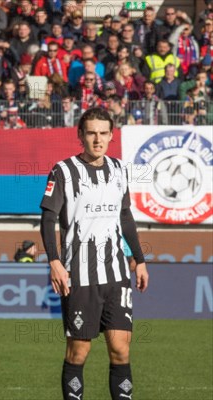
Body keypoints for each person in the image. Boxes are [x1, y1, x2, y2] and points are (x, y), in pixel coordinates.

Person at [39, 107, 149, 400]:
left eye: (103, 133)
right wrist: (54, 261)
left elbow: (125, 216)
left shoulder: (119, 170)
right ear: (80, 136)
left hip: (116, 274)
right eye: (91, 133)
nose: (97, 139)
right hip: (80, 276)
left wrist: (139, 259)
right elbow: (48, 218)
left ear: (111, 136)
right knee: (78, 352)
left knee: (121, 349)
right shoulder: (62, 171)